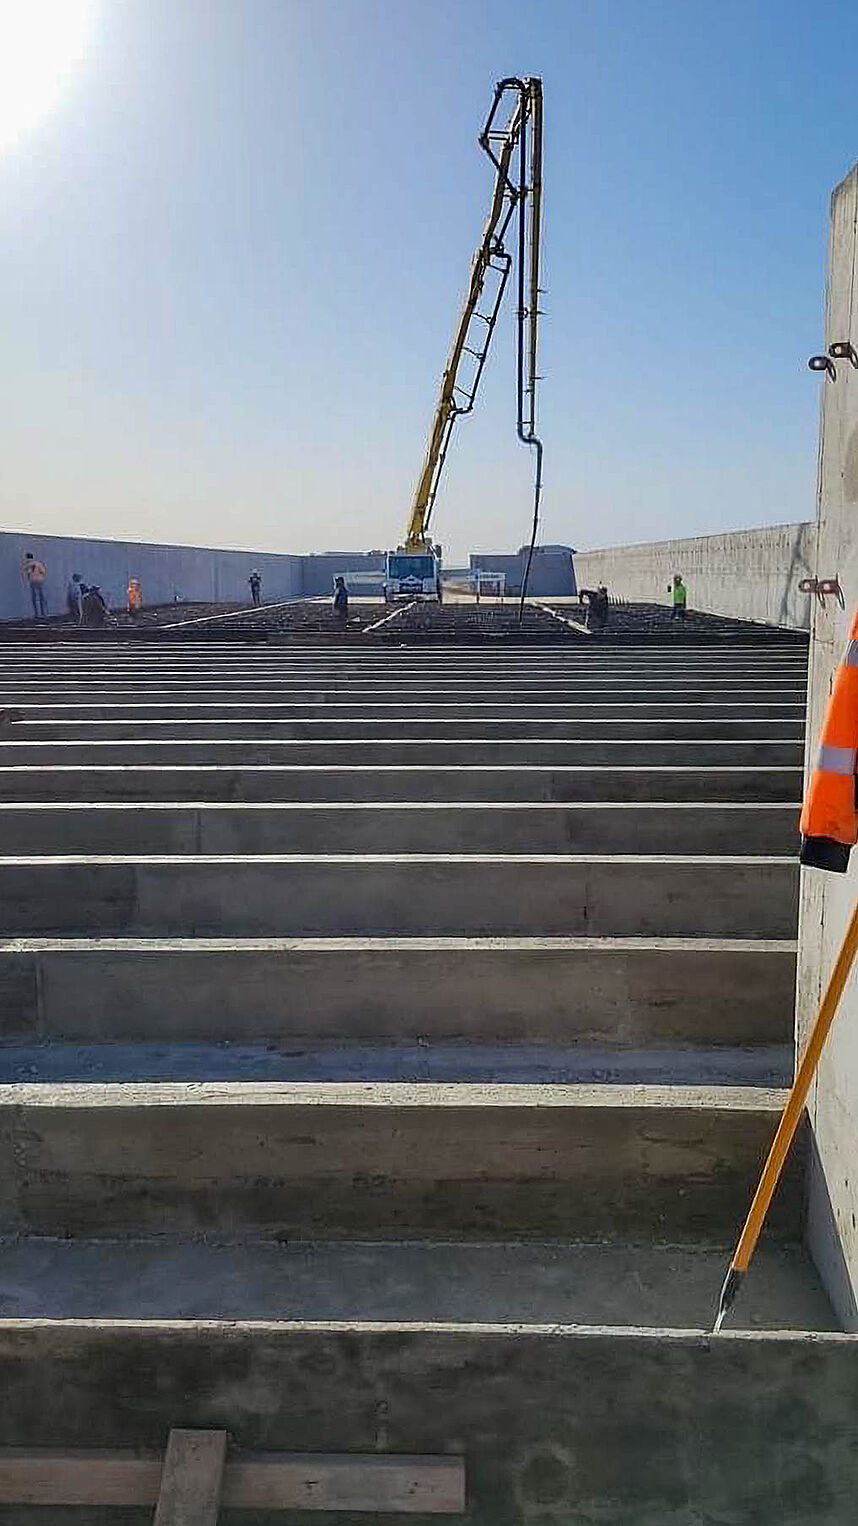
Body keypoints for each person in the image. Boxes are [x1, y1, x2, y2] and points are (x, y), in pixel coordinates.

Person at [22, 552, 47, 620]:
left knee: (35, 598)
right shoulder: (38, 563)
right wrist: (42, 578)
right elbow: (43, 572)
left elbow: (27, 573)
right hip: (39, 581)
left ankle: (37, 614)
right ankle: (43, 613)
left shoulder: (28, 565)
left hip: (33, 581)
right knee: (41, 597)